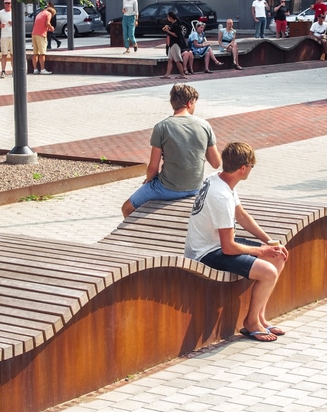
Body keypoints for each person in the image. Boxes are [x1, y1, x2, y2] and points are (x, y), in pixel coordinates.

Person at [184, 142, 289, 342]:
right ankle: (250, 323)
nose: (251, 170)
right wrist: (260, 252)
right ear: (243, 168)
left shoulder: (220, 181)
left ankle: (259, 318)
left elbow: (240, 215)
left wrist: (269, 242)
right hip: (206, 252)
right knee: (268, 272)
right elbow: (228, 247)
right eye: (251, 166)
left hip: (215, 244)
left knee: (277, 257)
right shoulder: (221, 196)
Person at [121, 83, 222, 218]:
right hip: (195, 187)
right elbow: (216, 163)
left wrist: (150, 181)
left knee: (126, 208)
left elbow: (153, 167)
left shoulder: (162, 127)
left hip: (167, 189)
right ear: (189, 103)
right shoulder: (205, 125)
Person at [161, 11, 188, 79]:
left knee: (177, 60)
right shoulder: (173, 24)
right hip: (171, 44)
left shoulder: (176, 25)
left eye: (168, 17)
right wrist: (168, 29)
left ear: (170, 17)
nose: (167, 18)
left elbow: (176, 35)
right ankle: (167, 74)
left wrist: (167, 31)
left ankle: (182, 74)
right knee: (170, 59)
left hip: (175, 44)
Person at [31, 6, 56, 75]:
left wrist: (47, 29)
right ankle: (42, 69)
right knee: (42, 53)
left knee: (35, 53)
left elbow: (40, 25)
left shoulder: (40, 13)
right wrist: (52, 28)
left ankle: (35, 69)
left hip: (34, 34)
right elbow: (47, 23)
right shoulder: (48, 14)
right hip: (41, 35)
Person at [0, 1, 12, 78]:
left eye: (9, 3)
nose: (7, 4)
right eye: (6, 3)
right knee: (4, 54)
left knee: (13, 54)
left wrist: (13, 23)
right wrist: (1, 25)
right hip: (4, 36)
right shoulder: (0, 13)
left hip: (12, 36)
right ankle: (3, 71)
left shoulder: (14, 12)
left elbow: (19, 24)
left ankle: (14, 70)